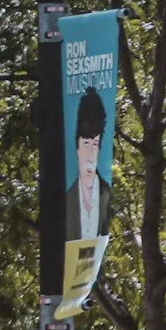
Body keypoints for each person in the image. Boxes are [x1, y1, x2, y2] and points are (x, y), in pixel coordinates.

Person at [63, 86, 111, 243]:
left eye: (95, 144)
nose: (90, 156)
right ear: (76, 147)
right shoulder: (66, 199)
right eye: (86, 144)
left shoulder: (106, 193)